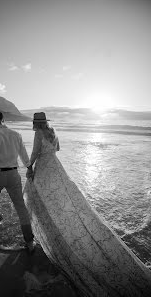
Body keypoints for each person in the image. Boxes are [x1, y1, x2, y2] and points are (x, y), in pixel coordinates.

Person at [24, 112, 151, 296]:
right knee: (60, 201)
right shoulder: (53, 132)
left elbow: (35, 153)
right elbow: (57, 149)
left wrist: (29, 167)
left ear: (36, 123)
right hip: (57, 168)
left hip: (44, 169)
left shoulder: (38, 134)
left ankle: (47, 238)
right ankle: (58, 233)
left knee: (38, 200)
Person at [0, 110, 35, 253]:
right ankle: (30, 242)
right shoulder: (16, 134)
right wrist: (29, 168)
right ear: (3, 120)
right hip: (13, 174)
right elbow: (24, 155)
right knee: (20, 207)